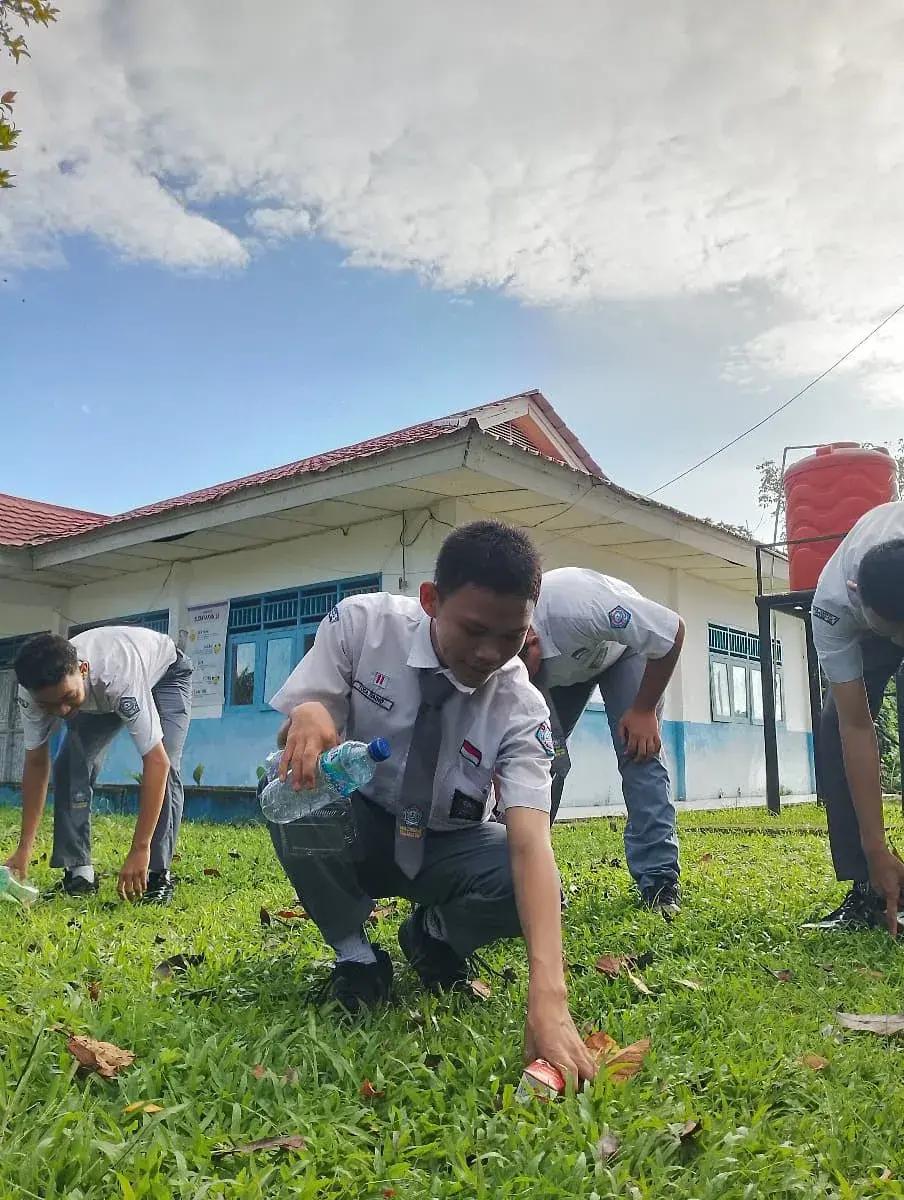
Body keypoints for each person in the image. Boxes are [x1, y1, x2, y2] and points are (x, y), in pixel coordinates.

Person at [267, 520, 597, 1083]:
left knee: (533, 884)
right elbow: (306, 723)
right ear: (430, 601)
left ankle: (432, 936)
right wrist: (312, 712)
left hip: (448, 844)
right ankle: (356, 957)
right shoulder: (362, 627)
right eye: (473, 629)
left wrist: (549, 993)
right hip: (361, 822)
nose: (489, 651)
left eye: (511, 634)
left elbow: (529, 841)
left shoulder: (522, 708)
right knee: (288, 794)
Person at [519, 567, 685, 914]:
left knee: (638, 752)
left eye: (520, 665)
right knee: (534, 759)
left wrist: (643, 710)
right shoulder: (504, 653)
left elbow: (671, 632)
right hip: (562, 673)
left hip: (624, 652)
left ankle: (659, 882)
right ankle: (525, 874)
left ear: (531, 638)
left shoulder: (578, 608)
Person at [3, 627, 192, 904]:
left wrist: (139, 848)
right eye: (49, 706)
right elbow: (35, 762)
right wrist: (24, 849)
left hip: (166, 674)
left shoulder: (118, 675)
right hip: (97, 698)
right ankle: (80, 873)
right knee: (69, 764)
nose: (62, 713)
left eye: (67, 698)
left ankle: (155, 873)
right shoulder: (33, 693)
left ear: (82, 669)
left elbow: (156, 761)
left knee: (168, 764)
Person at [808, 501, 904, 934]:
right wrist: (875, 848)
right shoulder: (833, 604)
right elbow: (857, 725)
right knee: (834, 725)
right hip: (867, 623)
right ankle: (870, 887)